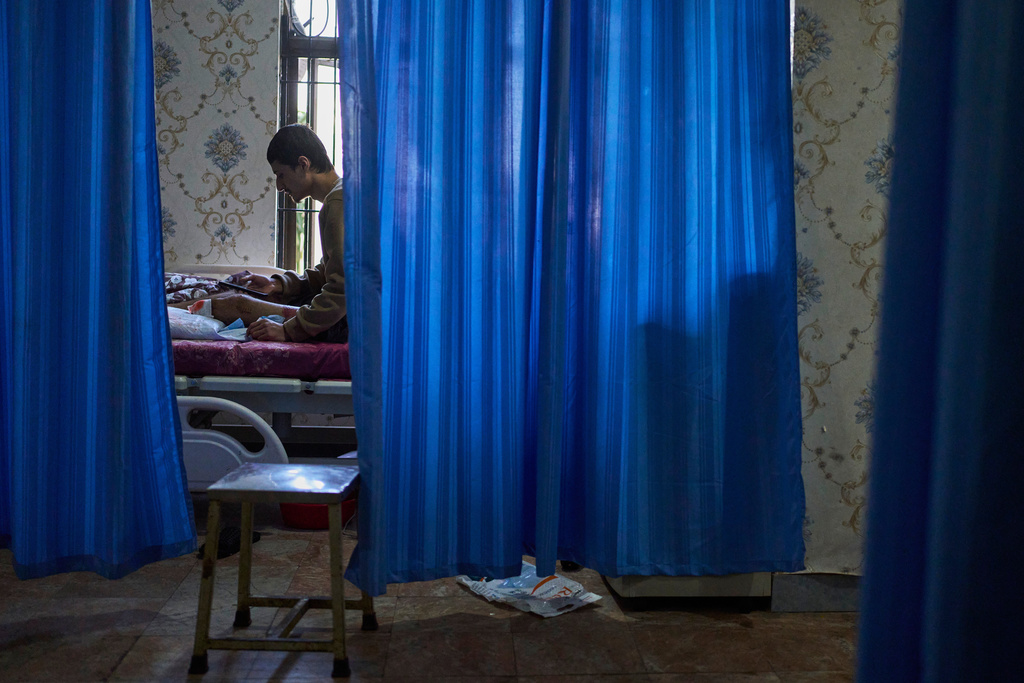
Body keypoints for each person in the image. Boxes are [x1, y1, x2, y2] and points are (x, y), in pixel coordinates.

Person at [194, 124, 348, 343]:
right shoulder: (342, 196)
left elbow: (343, 287)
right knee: (252, 296)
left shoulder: (338, 203)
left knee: (235, 304)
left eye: (281, 175)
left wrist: (288, 330)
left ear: (303, 164)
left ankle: (158, 313)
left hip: (347, 323)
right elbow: (330, 271)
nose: (279, 186)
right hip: (346, 316)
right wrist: (281, 284)